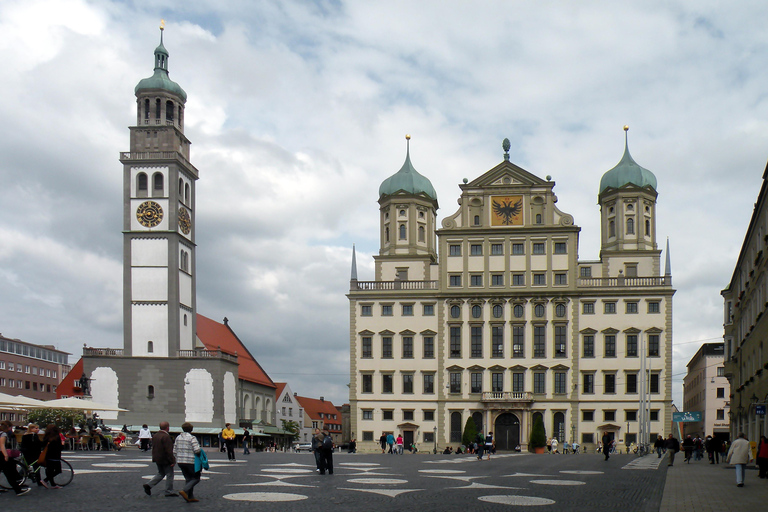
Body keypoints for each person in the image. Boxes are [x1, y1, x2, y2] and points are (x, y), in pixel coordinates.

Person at [143, 421, 176, 497]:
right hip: (165, 459)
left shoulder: (155, 435)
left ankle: (149, 485)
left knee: (161, 473)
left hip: (157, 458)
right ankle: (169, 491)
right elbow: (168, 450)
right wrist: (172, 460)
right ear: (167, 428)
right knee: (169, 475)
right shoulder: (166, 437)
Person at [0, 420, 30, 496]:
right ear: (8, 427)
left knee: (8, 472)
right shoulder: (3, 434)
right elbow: (2, 445)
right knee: (8, 473)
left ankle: (18, 488)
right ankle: (18, 490)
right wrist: (6, 455)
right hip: (2, 454)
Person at [173, 422, 201, 502]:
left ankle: (190, 496)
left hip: (180, 462)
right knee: (196, 478)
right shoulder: (192, 438)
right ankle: (184, 490)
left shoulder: (178, 437)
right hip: (190, 461)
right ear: (191, 429)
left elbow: (174, 450)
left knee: (188, 479)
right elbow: (197, 450)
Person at [20, 424, 47, 488]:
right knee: (37, 467)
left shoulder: (24, 435)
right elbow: (38, 444)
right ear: (31, 429)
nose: (38, 430)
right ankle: (38, 481)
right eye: (36, 428)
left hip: (26, 454)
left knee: (25, 468)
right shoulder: (33, 435)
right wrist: (46, 442)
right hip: (34, 454)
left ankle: (18, 480)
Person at [41, 424, 64, 489]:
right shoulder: (57, 437)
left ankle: (52, 484)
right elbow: (59, 447)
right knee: (58, 470)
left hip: (48, 455)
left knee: (50, 470)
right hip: (55, 455)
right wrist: (63, 445)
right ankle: (45, 480)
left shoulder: (46, 436)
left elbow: (43, 445)